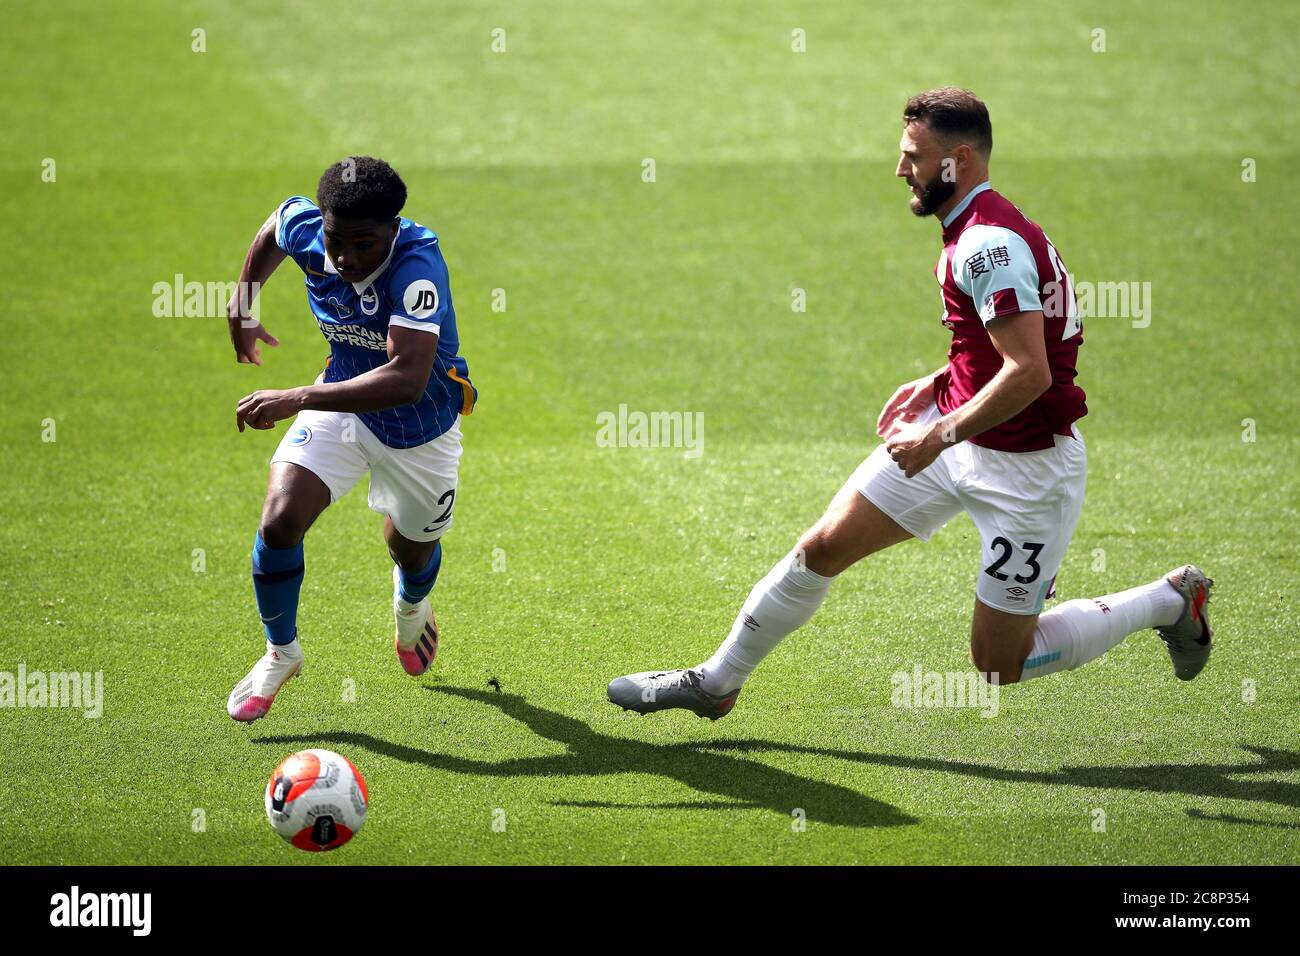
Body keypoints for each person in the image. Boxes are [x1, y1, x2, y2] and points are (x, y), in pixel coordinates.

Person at [607, 89, 1212, 720]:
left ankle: (1170, 602)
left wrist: (937, 434)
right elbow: (1012, 343)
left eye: (913, 156)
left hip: (1026, 472)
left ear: (959, 159)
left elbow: (1030, 372)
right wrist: (939, 380)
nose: (901, 169)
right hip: (957, 432)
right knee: (821, 548)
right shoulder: (982, 230)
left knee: (998, 665)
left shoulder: (986, 245)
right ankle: (717, 681)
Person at [224, 156, 476, 723]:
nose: (346, 259)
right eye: (338, 242)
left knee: (408, 548)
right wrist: (242, 305)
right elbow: (276, 226)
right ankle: (280, 652)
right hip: (341, 399)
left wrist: (296, 397)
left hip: (421, 429)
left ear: (393, 228)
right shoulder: (315, 231)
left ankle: (412, 606)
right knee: (279, 520)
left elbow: (407, 379)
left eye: (364, 245)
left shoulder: (417, 271)